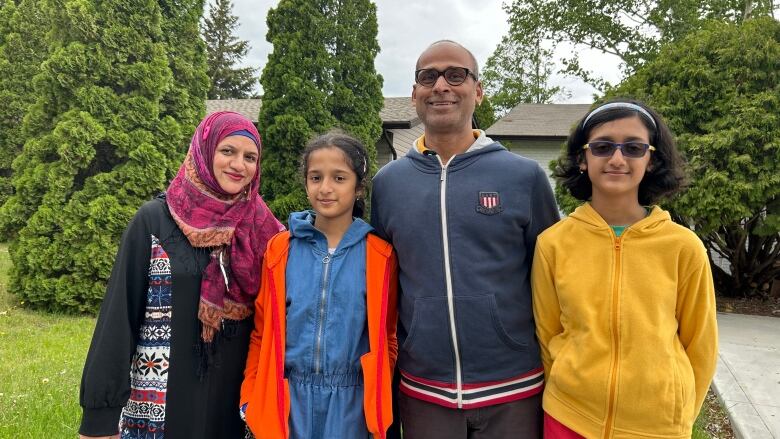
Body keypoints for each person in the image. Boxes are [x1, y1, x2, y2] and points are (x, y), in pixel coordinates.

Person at [370, 40, 560, 438]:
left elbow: (552, 279)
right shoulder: (388, 185)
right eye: (428, 77)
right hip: (425, 391)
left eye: (456, 75)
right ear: (415, 94)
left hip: (514, 387)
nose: (441, 85)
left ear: (478, 90)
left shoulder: (523, 177)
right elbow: (382, 281)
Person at [78, 111, 284, 438]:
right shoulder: (155, 221)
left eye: (250, 157)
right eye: (227, 151)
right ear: (204, 151)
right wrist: (99, 418)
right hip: (167, 399)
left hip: (236, 401)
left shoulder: (264, 229)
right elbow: (119, 318)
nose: (238, 165)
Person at [531, 100, 718, 438]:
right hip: (569, 418)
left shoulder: (683, 247)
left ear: (652, 160)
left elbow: (701, 344)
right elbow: (547, 334)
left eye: (633, 148)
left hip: (657, 426)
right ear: (582, 159)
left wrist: (680, 415)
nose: (617, 159)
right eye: (602, 147)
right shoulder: (553, 244)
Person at [240, 132, 399, 439]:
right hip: (287, 402)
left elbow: (388, 337)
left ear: (359, 186)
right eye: (316, 177)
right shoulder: (279, 250)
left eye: (339, 178)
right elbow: (262, 333)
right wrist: (250, 397)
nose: (325, 188)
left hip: (352, 406)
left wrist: (377, 393)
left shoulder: (380, 255)